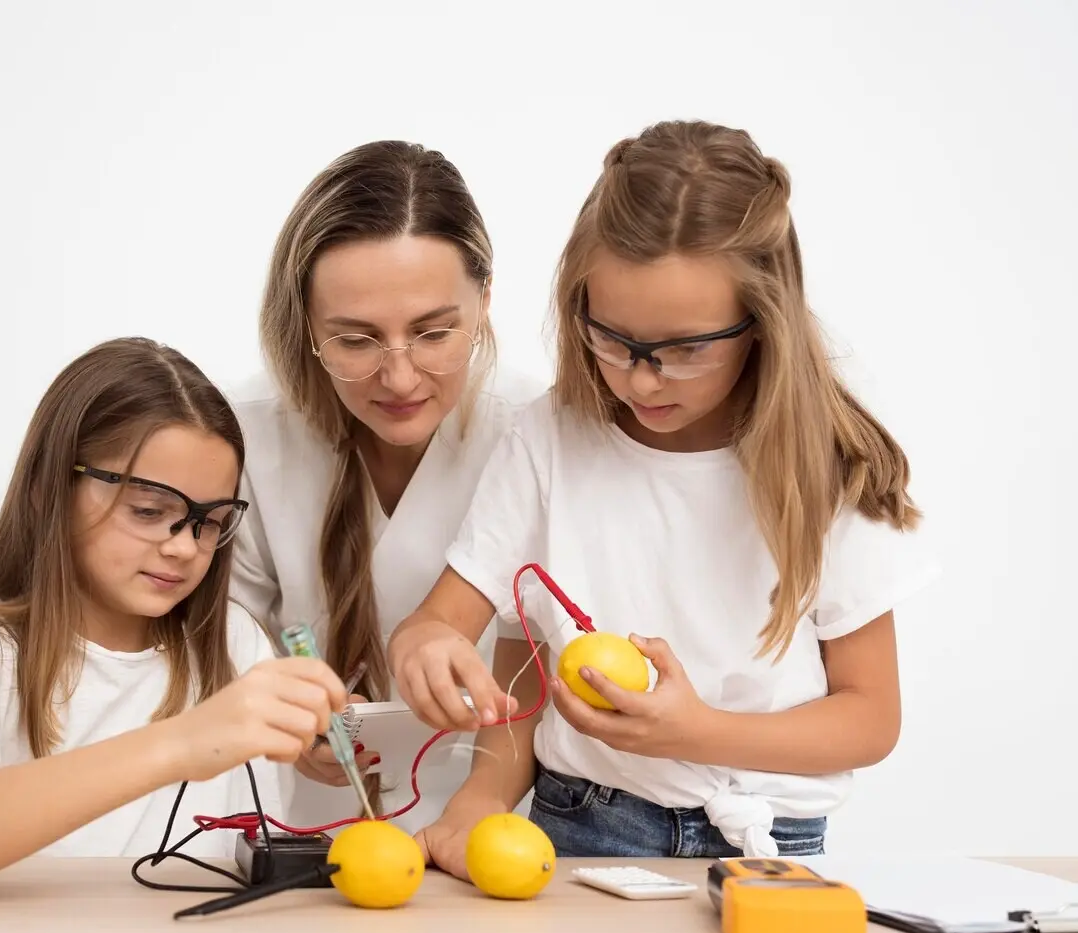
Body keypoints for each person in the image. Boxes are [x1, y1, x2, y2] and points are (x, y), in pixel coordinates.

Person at [386, 120, 941, 875]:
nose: (642, 379)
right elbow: (498, 644)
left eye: (683, 350)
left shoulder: (827, 467)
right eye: (612, 339)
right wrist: (429, 660)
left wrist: (695, 731)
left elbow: (870, 720)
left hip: (768, 840)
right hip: (581, 821)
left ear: (763, 324)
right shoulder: (549, 439)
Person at [0, 338, 347, 903]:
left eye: (211, 521)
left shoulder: (234, 642)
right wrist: (181, 743)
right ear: (49, 488)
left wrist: (320, 742)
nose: (185, 548)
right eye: (149, 511)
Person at [227, 140, 548, 834]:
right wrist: (280, 710)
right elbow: (222, 638)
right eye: (355, 340)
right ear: (305, 322)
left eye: (434, 333)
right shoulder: (246, 434)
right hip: (308, 830)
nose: (399, 379)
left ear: (485, 302)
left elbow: (545, 653)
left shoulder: (538, 435)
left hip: (496, 832)